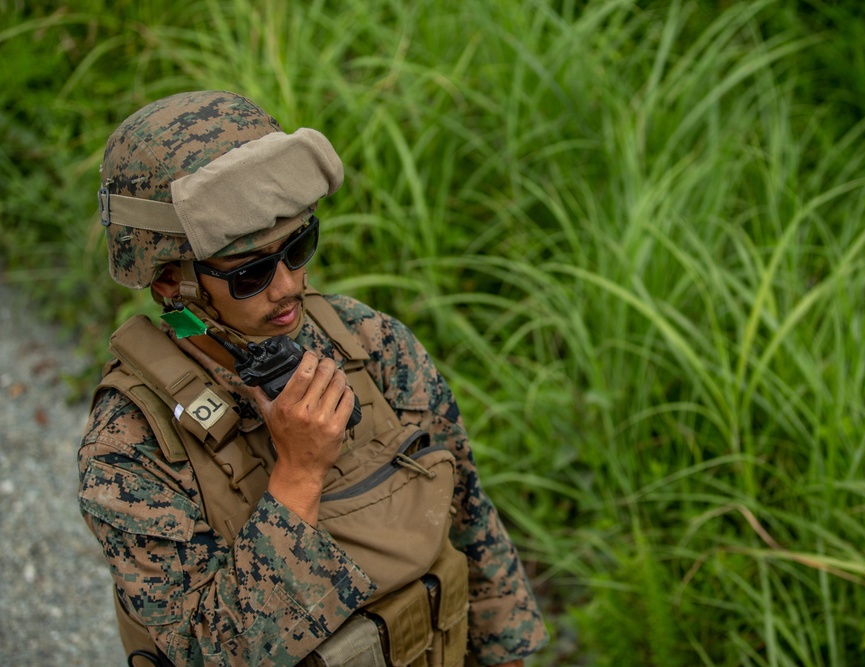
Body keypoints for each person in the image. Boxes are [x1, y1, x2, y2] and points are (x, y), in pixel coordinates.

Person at [78, 90, 547, 667]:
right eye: (250, 273)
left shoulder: (366, 341)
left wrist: (509, 656)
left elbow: (469, 518)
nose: (288, 287)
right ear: (171, 283)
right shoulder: (130, 449)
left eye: (299, 247)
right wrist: (298, 476)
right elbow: (211, 654)